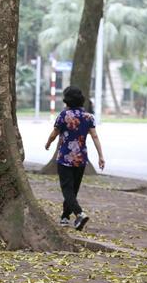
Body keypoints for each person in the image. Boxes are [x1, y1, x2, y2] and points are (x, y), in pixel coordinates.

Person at [45, 86, 105, 230]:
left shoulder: (64, 116)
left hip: (65, 157)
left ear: (67, 101)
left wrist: (48, 143)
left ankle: (79, 214)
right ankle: (65, 217)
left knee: (67, 189)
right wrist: (100, 156)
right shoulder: (88, 117)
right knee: (73, 189)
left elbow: (54, 134)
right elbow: (95, 136)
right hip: (81, 159)